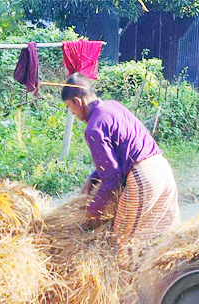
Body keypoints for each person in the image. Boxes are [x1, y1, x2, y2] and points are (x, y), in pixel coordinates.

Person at [61, 73, 180, 251]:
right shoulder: (113, 106)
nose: (72, 113)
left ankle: (127, 278)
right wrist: (92, 179)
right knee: (163, 237)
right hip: (162, 168)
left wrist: (92, 212)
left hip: (144, 178)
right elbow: (118, 155)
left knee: (121, 244)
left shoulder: (93, 128)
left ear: (78, 101)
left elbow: (112, 178)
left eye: (70, 107)